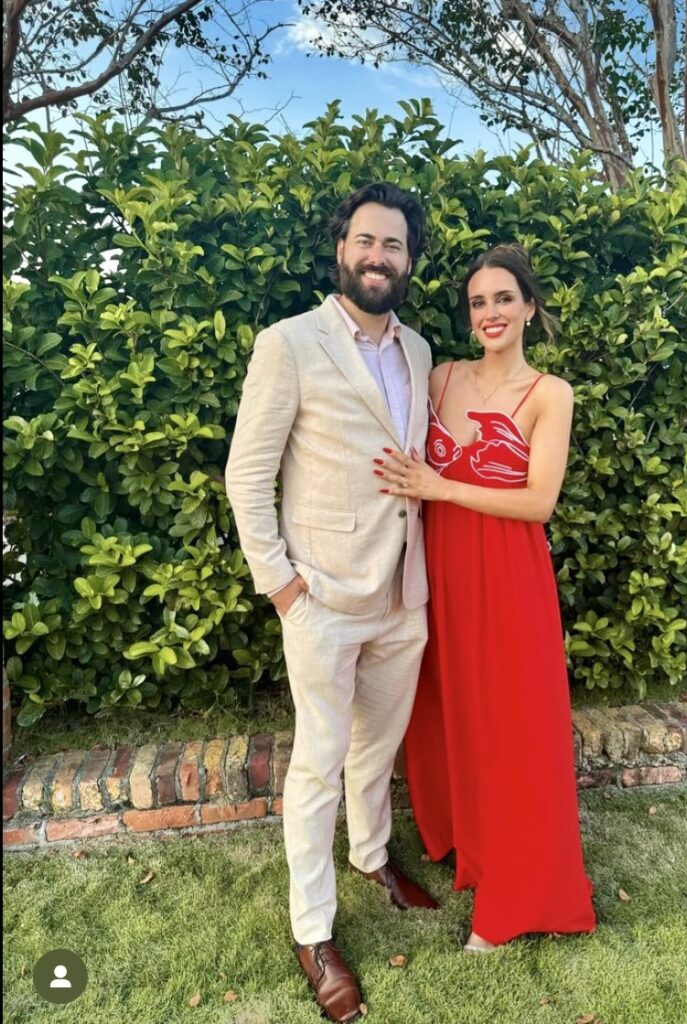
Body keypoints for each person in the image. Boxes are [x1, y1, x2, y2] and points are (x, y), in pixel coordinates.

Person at [225, 182, 439, 1024]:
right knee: (317, 764)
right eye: (365, 242)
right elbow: (249, 475)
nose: (378, 257)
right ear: (341, 250)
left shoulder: (420, 351)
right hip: (321, 595)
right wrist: (280, 584)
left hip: (403, 592)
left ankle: (372, 856)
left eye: (393, 246)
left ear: (408, 262)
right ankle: (313, 933)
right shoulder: (290, 344)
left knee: (376, 747)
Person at [374, 243, 597, 951]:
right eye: (478, 302)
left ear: (530, 306)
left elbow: (538, 503)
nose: (491, 312)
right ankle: (469, 848)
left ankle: (518, 897)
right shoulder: (438, 378)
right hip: (438, 577)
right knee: (451, 716)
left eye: (504, 298)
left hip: (508, 580)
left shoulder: (549, 394)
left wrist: (439, 486)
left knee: (515, 731)